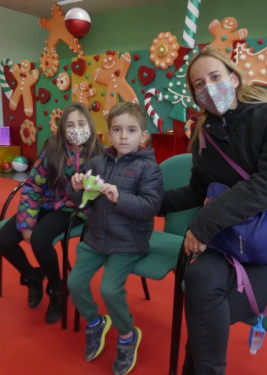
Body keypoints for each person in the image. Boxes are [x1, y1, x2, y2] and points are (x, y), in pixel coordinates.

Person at [160, 49, 267, 374]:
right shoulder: (204, 136)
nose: (207, 87)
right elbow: (196, 191)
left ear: (233, 78)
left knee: (205, 312)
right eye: (198, 84)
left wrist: (204, 223)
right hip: (235, 243)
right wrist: (140, 201)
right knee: (199, 277)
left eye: (215, 77)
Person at [68, 102, 163, 375]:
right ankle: (95, 322)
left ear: (143, 136)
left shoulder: (149, 168)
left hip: (128, 241)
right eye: (117, 130)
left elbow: (150, 207)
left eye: (131, 130)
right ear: (108, 134)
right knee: (75, 282)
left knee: (109, 290)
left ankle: (126, 335)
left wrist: (119, 197)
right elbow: (82, 202)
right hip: (96, 237)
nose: (123, 136)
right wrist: (76, 189)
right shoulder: (97, 162)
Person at [0, 102, 103, 324]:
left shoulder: (98, 155)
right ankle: (33, 276)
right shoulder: (52, 150)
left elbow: (98, 193)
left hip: (70, 209)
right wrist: (26, 222)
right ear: (62, 128)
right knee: (3, 239)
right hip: (43, 204)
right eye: (70, 124)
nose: (76, 129)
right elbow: (33, 185)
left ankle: (56, 288)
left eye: (81, 123)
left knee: (40, 240)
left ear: (90, 126)